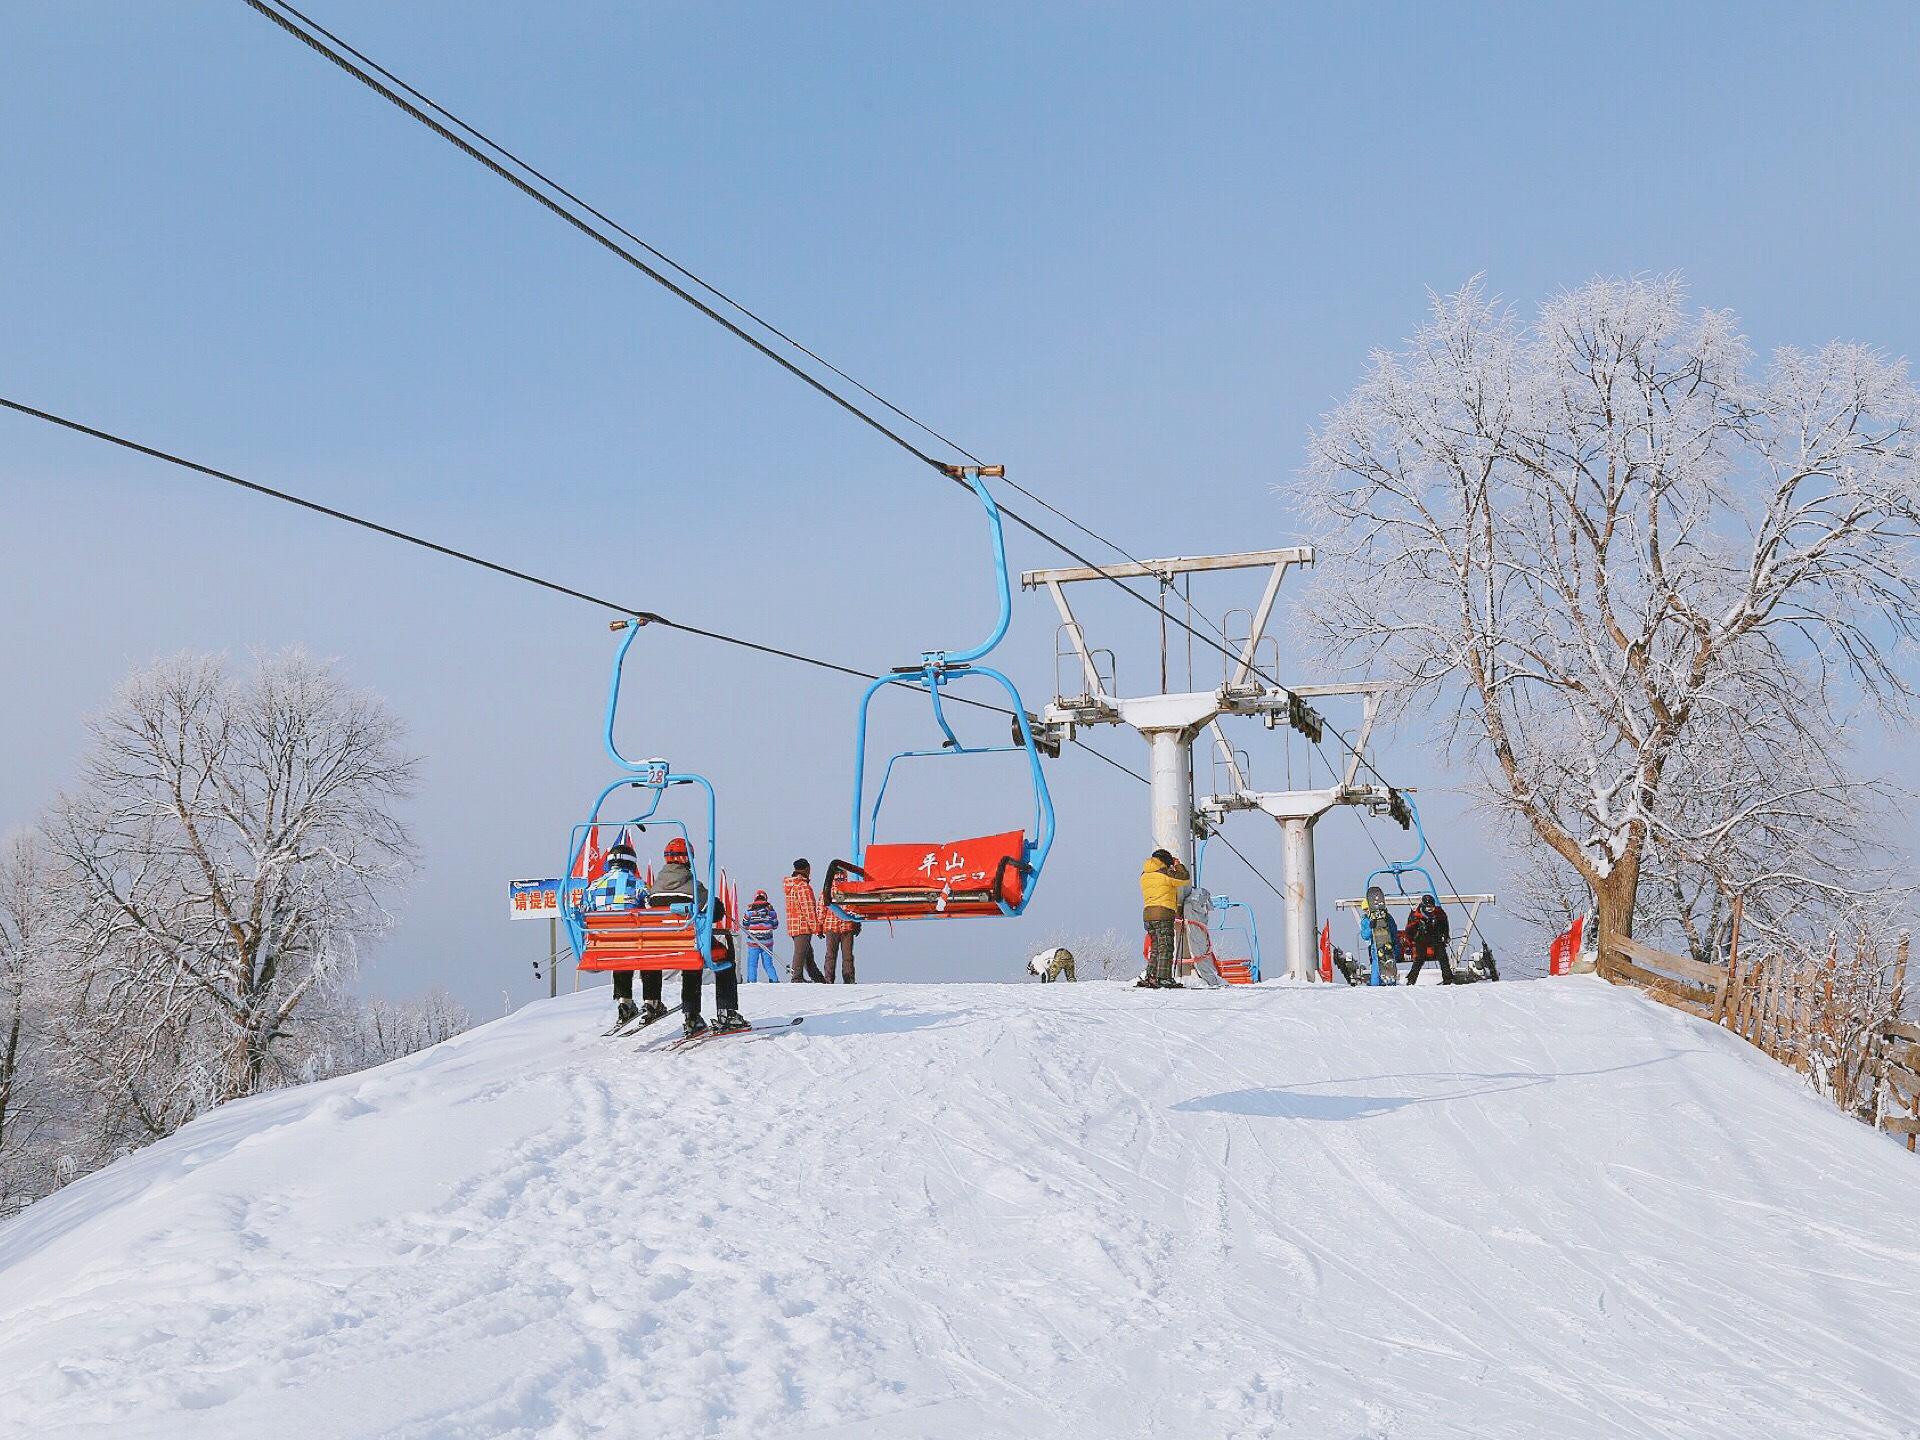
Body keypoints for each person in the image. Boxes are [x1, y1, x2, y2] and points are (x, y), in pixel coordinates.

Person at [648, 836, 746, 1037]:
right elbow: (715, 912)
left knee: (690, 961)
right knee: (724, 958)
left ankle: (692, 1017)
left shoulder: (654, 889)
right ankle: (726, 1013)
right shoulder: (692, 886)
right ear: (688, 859)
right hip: (691, 944)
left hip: (666, 947)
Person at [584, 839, 647, 1027]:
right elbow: (651, 907)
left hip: (604, 944)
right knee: (638, 944)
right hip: (636, 943)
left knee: (618, 946)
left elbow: (583, 911)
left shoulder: (593, 887)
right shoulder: (638, 885)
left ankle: (624, 1001)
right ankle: (652, 1001)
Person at [1138, 848, 1190, 989]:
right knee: (1165, 947)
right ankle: (1164, 978)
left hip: (1148, 915)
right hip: (1163, 914)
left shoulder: (1144, 875)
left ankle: (1151, 976)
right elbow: (1184, 878)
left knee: (1155, 948)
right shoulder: (1165, 873)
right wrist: (1177, 865)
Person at [783, 859, 827, 983]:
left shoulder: (791, 886)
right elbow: (808, 910)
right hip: (802, 925)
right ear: (807, 869)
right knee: (801, 952)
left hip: (793, 924)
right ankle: (796, 977)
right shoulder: (803, 886)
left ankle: (819, 979)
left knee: (808, 954)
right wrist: (816, 928)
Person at [1402, 894, 1456, 985]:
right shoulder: (1416, 915)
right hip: (1421, 939)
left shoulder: (1439, 913)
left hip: (1436, 938)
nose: (1430, 910)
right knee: (1419, 959)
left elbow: (1445, 925)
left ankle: (1448, 979)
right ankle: (1410, 980)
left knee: (1443, 957)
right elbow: (1408, 932)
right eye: (1428, 908)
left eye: (1432, 907)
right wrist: (1407, 947)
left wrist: (1446, 936)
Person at [1358, 885, 1403, 984]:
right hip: (1375, 947)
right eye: (1364, 910)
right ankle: (1377, 987)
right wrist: (1371, 927)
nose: (1366, 912)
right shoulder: (1365, 920)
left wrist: (1396, 947)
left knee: (1389, 968)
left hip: (1389, 946)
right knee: (1376, 970)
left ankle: (1391, 984)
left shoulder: (1387, 917)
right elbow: (1365, 935)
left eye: (1367, 909)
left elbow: (1393, 931)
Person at [741, 888, 781, 983]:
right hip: (767, 942)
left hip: (753, 942)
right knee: (768, 964)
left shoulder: (749, 912)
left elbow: (745, 924)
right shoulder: (771, 912)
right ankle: (774, 980)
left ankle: (751, 981)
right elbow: (775, 925)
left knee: (752, 964)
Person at [820, 896, 858, 984]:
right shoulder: (847, 890)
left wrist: (820, 925)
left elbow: (821, 909)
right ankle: (847, 979)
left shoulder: (828, 890)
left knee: (832, 955)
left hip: (837, 926)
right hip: (843, 926)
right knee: (846, 956)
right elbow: (855, 908)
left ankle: (830, 978)